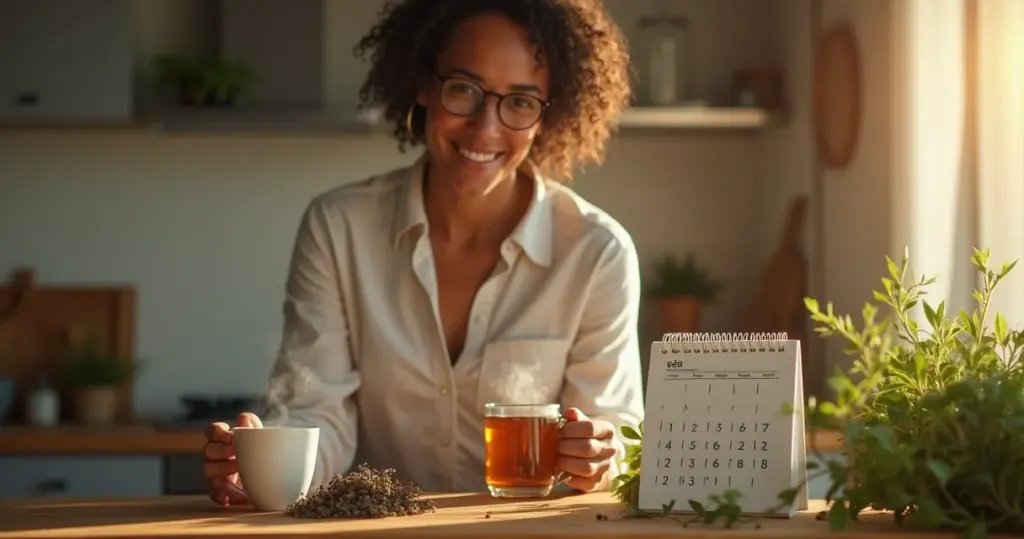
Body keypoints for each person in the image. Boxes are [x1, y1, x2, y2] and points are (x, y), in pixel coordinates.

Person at [203, 0, 643, 505]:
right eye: (463, 89)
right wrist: (264, 468)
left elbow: (615, 430)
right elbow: (317, 409)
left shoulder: (597, 253)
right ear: (422, 84)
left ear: (549, 114)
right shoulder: (339, 228)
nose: (485, 128)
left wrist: (598, 455)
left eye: (521, 101)